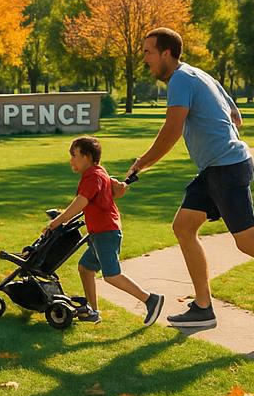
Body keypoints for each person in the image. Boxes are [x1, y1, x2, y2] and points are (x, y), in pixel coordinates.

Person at [126, 27, 254, 335]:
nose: (144, 59)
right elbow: (235, 114)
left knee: (248, 241)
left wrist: (141, 163)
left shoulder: (181, 80)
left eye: (148, 52)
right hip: (216, 167)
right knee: (184, 226)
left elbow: (172, 130)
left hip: (226, 168)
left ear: (166, 53)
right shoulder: (201, 76)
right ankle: (203, 307)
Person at [46, 136, 165, 326]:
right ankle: (93, 311)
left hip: (105, 232)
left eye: (74, 155)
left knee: (111, 275)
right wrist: (119, 186)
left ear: (87, 157)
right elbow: (116, 190)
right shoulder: (99, 173)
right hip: (100, 232)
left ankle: (150, 299)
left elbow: (81, 202)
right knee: (85, 269)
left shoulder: (92, 176)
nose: (71, 160)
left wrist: (59, 220)